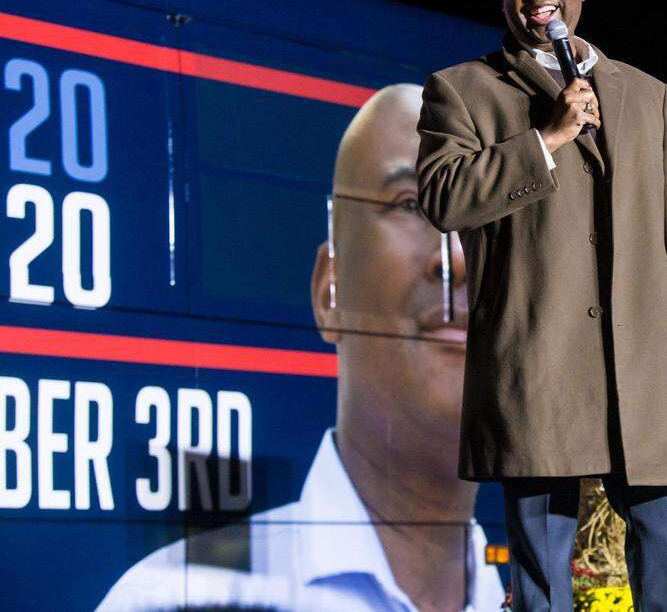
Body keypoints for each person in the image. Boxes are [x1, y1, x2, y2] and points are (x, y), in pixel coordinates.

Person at [97, 84, 505, 612]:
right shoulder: (175, 599)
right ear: (329, 293)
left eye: (489, 222)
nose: (459, 259)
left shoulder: (559, 590)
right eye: (411, 203)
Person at [415, 0, 667, 611]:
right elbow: (442, 198)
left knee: (665, 557)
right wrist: (545, 139)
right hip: (538, 361)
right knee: (544, 577)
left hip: (644, 360)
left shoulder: (645, 95)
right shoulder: (463, 91)